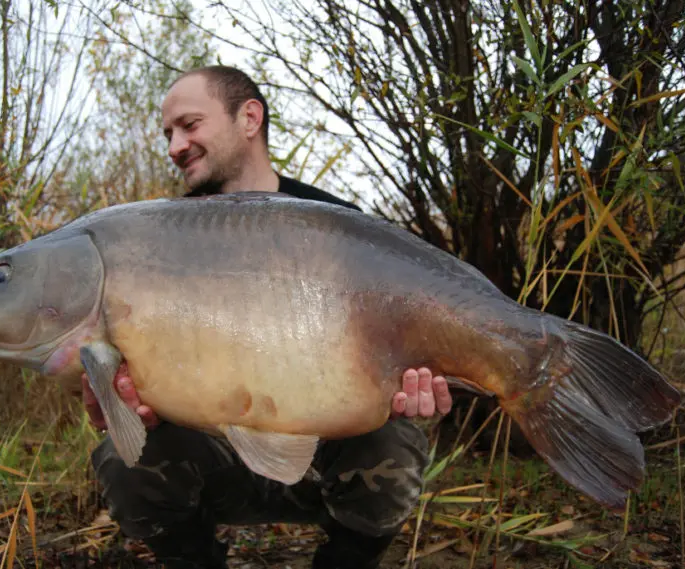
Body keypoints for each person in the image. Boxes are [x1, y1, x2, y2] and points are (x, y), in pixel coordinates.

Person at [81, 65, 453, 568]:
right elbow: (117, 398)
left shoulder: (338, 227)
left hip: (327, 461)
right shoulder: (153, 242)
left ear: (249, 118)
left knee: (396, 441)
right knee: (122, 458)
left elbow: (406, 351)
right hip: (215, 464)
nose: (174, 146)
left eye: (189, 125)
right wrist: (116, 401)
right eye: (168, 133)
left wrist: (418, 385)